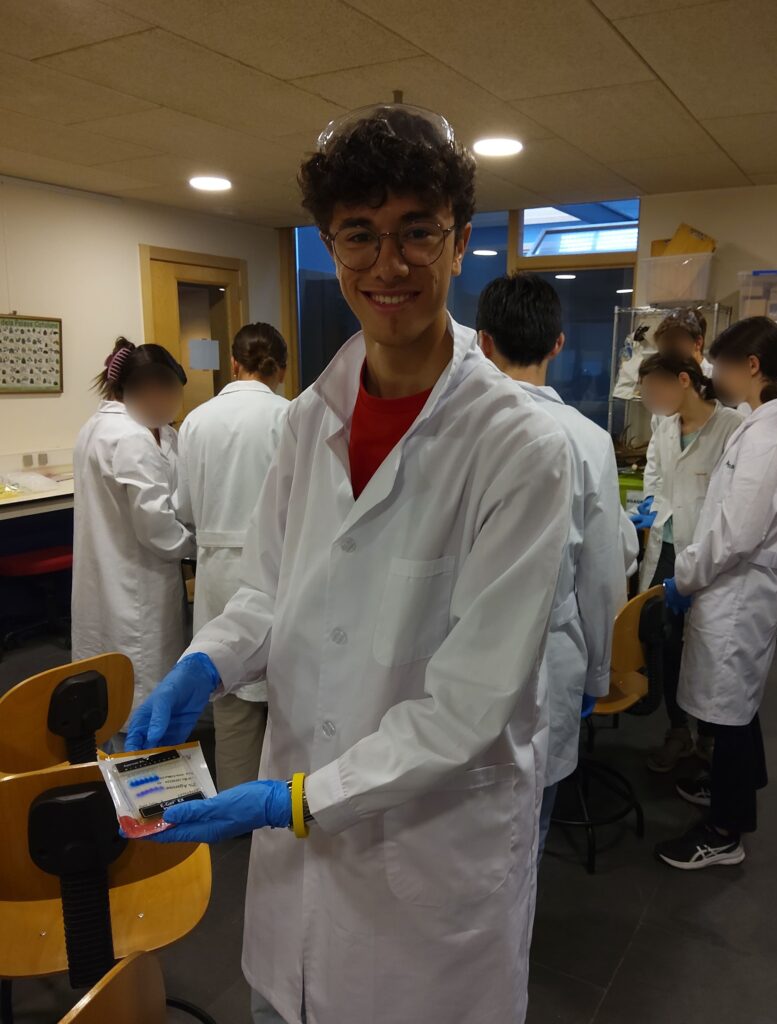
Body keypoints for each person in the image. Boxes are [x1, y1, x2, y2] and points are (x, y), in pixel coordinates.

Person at [125, 104, 573, 1024]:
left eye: (417, 231)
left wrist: (293, 801)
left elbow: (470, 705)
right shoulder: (307, 420)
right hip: (298, 879)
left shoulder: (518, 448)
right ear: (331, 247)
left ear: (459, 242)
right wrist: (205, 662)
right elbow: (268, 591)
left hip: (428, 867)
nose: (388, 263)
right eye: (359, 234)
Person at [476, 272, 628, 865]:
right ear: (558, 344)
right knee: (528, 826)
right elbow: (602, 574)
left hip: (458, 655)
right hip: (550, 654)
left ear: (483, 342)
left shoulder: (455, 432)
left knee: (458, 827)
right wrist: (598, 673)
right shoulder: (588, 441)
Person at [656, 317, 777, 870]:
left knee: (730, 709)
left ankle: (725, 830)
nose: (712, 374)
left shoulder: (767, 436)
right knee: (735, 702)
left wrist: (685, 577)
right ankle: (735, 783)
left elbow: (736, 533)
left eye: (720, 365)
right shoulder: (762, 424)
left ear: (751, 366)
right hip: (739, 587)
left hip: (739, 591)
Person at [176, 323, 290, 790]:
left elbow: (184, 508)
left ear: (234, 364)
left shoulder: (196, 421)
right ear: (281, 369)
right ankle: (283, 803)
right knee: (286, 700)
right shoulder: (291, 415)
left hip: (218, 572)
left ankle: (235, 805)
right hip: (280, 566)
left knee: (229, 699)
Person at [72, 338, 194, 714]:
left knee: (110, 682)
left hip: (108, 574)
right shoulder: (131, 437)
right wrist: (197, 545)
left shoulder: (97, 427)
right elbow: (156, 528)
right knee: (142, 681)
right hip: (138, 580)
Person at [637, 353, 743, 773]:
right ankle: (677, 729)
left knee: (707, 645)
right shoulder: (664, 425)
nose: (649, 399)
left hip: (709, 552)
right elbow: (654, 471)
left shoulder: (731, 427)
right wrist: (650, 502)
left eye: (654, 389)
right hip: (666, 546)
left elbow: (734, 501)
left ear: (684, 380)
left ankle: (710, 737)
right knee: (665, 639)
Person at [642, 307, 711, 503]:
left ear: (698, 343)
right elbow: (656, 457)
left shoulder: (720, 388)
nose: (667, 359)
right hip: (669, 504)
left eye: (674, 350)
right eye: (663, 351)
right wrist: (651, 499)